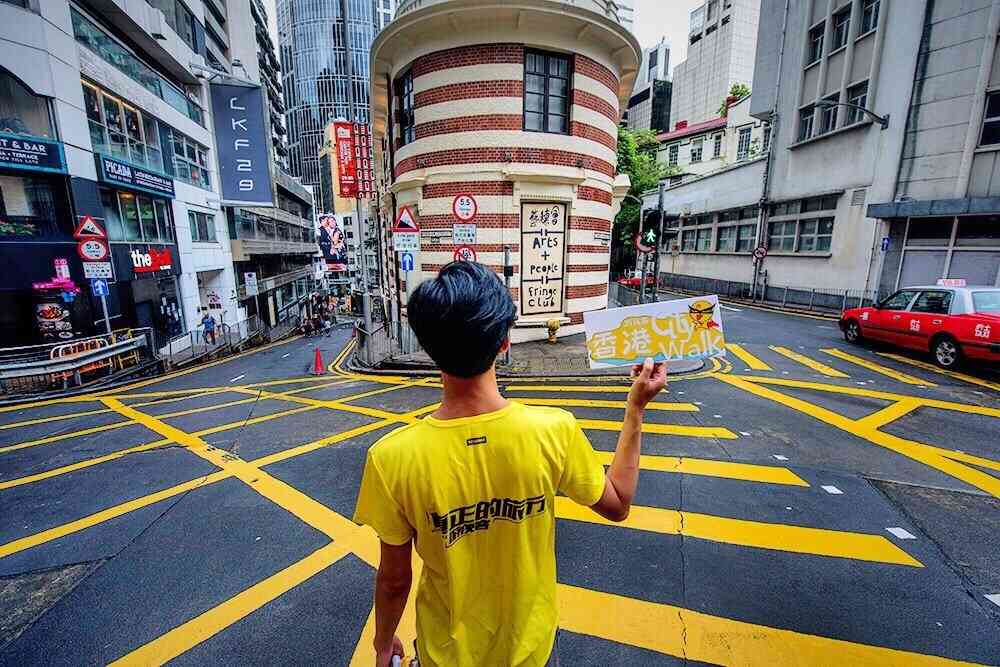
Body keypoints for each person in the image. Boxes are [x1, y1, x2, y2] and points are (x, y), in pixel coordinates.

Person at [353, 262, 667, 667]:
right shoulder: (553, 431)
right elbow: (618, 503)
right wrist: (636, 407)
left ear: (429, 349)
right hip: (531, 650)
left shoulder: (391, 458)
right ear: (504, 343)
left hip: (445, 655)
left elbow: (395, 580)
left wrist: (382, 643)